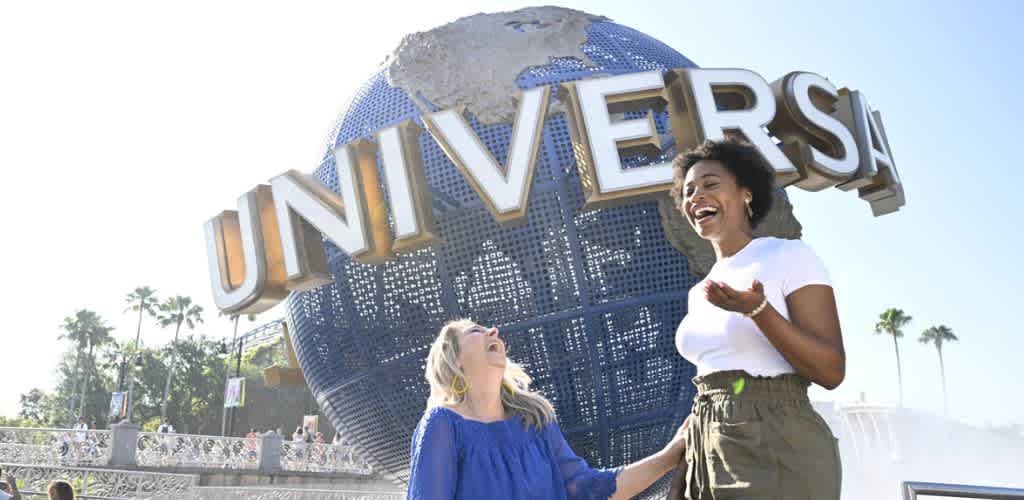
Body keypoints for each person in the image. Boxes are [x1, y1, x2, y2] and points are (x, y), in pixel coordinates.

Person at [667, 138, 844, 499]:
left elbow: (831, 371)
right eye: (688, 191)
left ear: (746, 193)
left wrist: (758, 311)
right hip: (706, 440)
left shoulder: (788, 255)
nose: (696, 196)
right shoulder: (698, 291)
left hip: (774, 438)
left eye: (710, 184)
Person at [406, 319, 688, 500]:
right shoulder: (442, 425)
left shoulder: (535, 421)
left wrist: (668, 457)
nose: (494, 331)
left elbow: (589, 489)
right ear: (454, 359)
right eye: (475, 331)